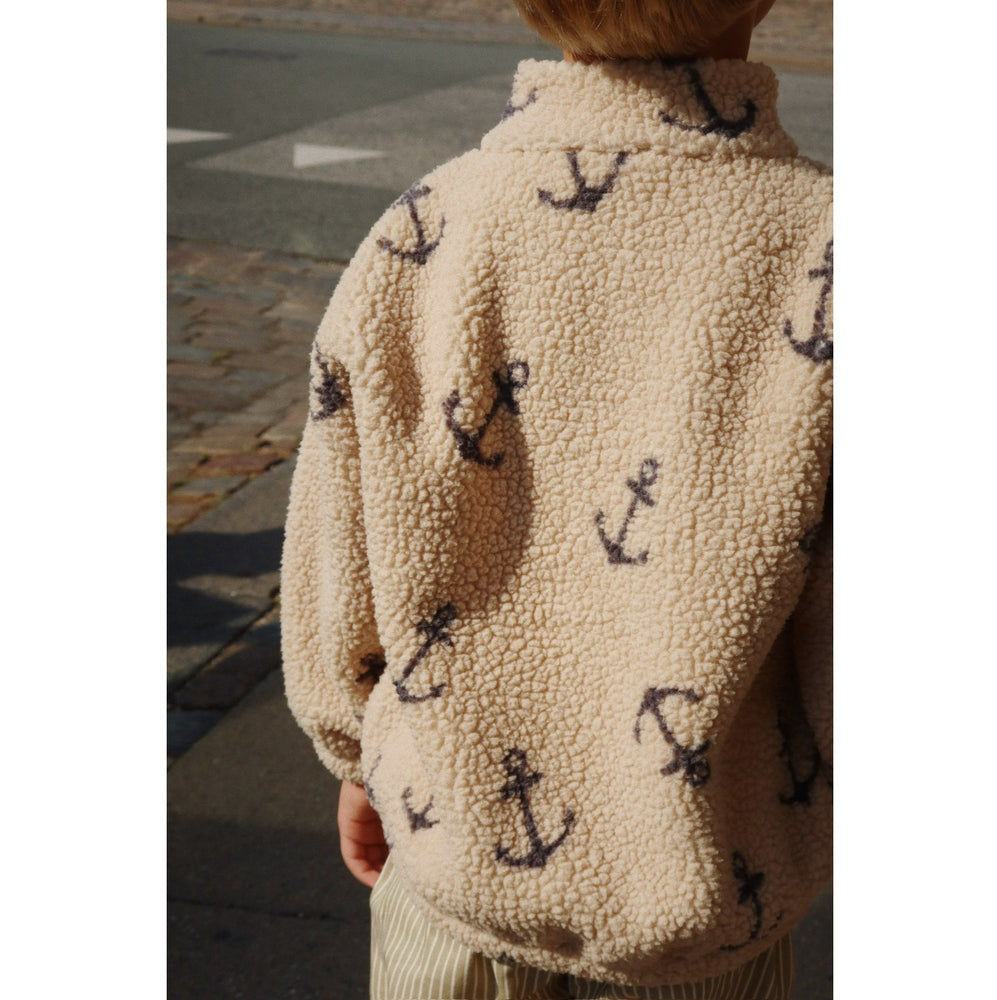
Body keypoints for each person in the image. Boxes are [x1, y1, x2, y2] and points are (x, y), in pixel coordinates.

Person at [281, 1, 832, 996]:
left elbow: (339, 551)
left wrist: (358, 752)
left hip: (448, 872)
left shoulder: (426, 233)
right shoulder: (828, 251)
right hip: (708, 901)